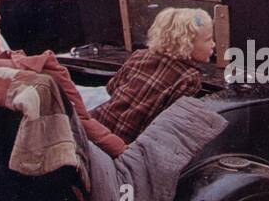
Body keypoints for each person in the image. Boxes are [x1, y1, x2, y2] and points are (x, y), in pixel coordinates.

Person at [91, 7, 214, 144]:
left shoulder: (139, 55)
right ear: (187, 44)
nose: (213, 44)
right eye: (208, 40)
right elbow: (168, 125)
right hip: (126, 141)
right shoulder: (189, 77)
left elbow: (111, 88)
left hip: (96, 125)